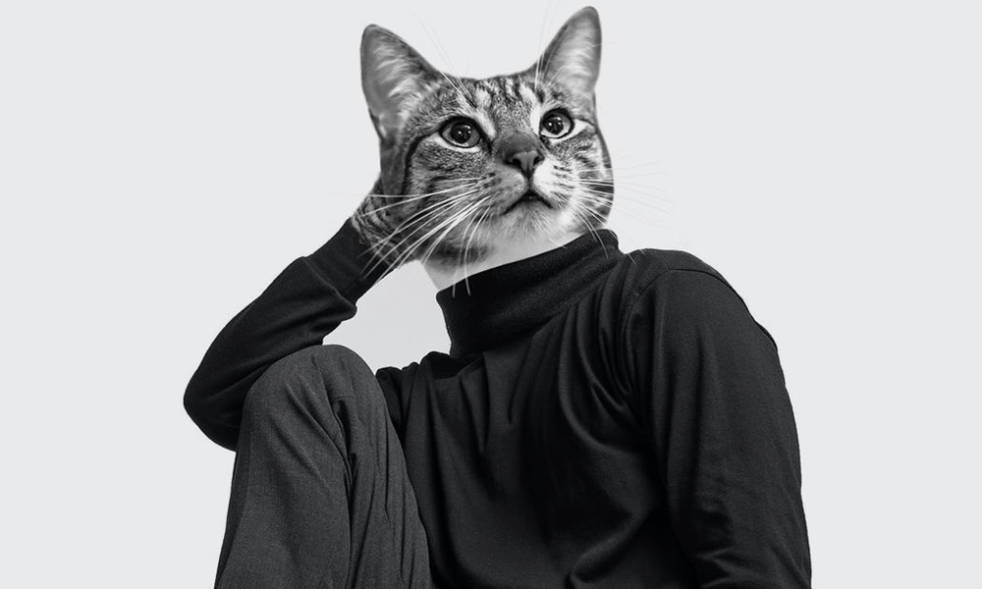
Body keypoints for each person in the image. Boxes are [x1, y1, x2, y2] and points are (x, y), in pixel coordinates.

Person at [184, 213, 812, 588]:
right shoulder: (407, 409)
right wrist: (372, 233)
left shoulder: (659, 303)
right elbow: (223, 394)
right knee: (312, 380)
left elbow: (759, 570)